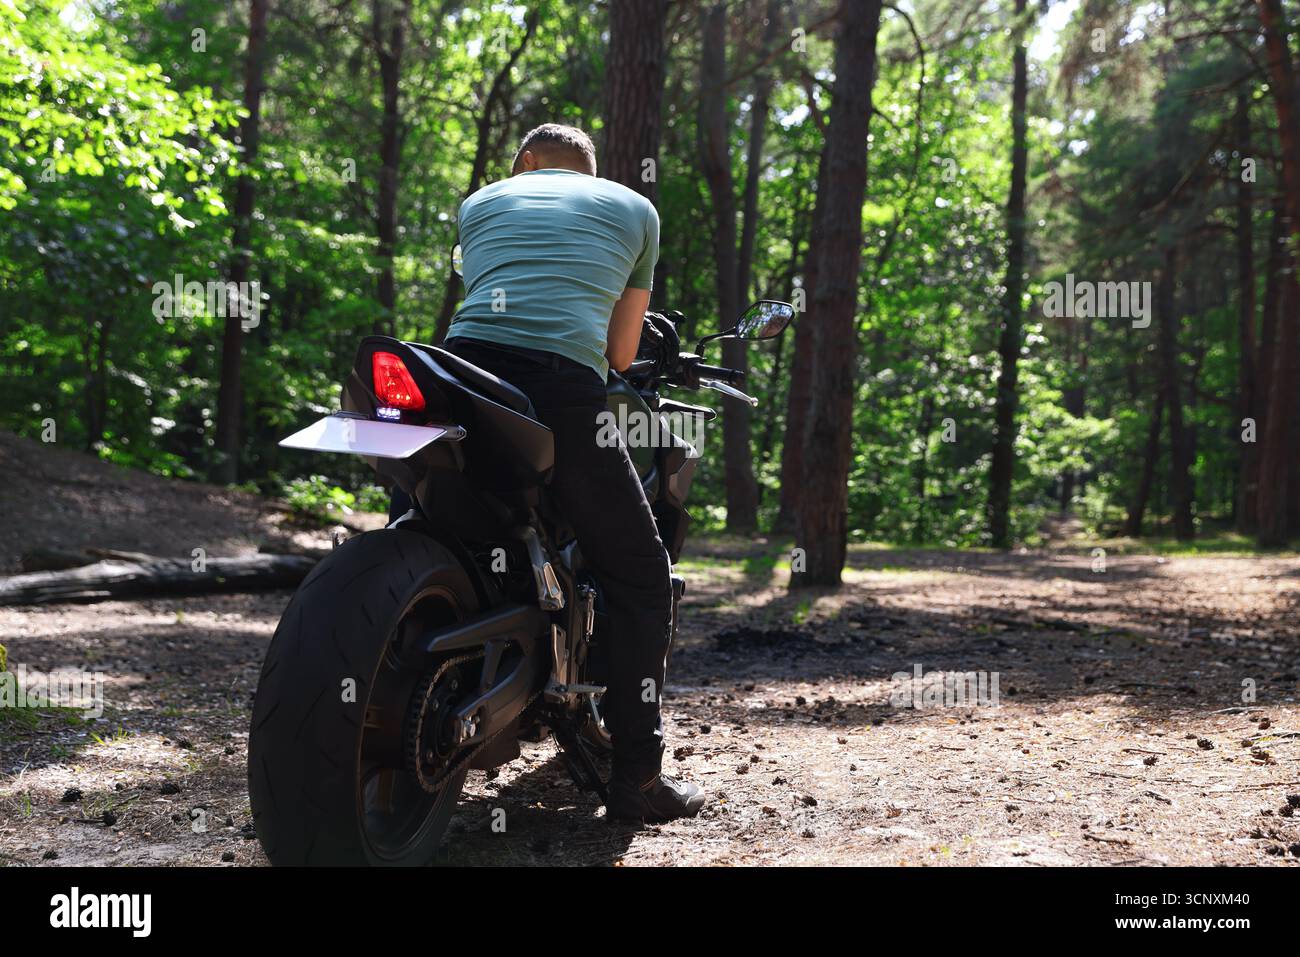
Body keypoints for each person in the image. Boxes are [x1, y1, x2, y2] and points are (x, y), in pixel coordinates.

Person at [442, 123, 704, 823]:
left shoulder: (481, 201)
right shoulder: (635, 211)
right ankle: (637, 782)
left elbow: (490, 295)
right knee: (643, 576)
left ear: (525, 163)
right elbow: (620, 352)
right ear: (590, 173)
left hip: (460, 376)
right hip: (559, 395)